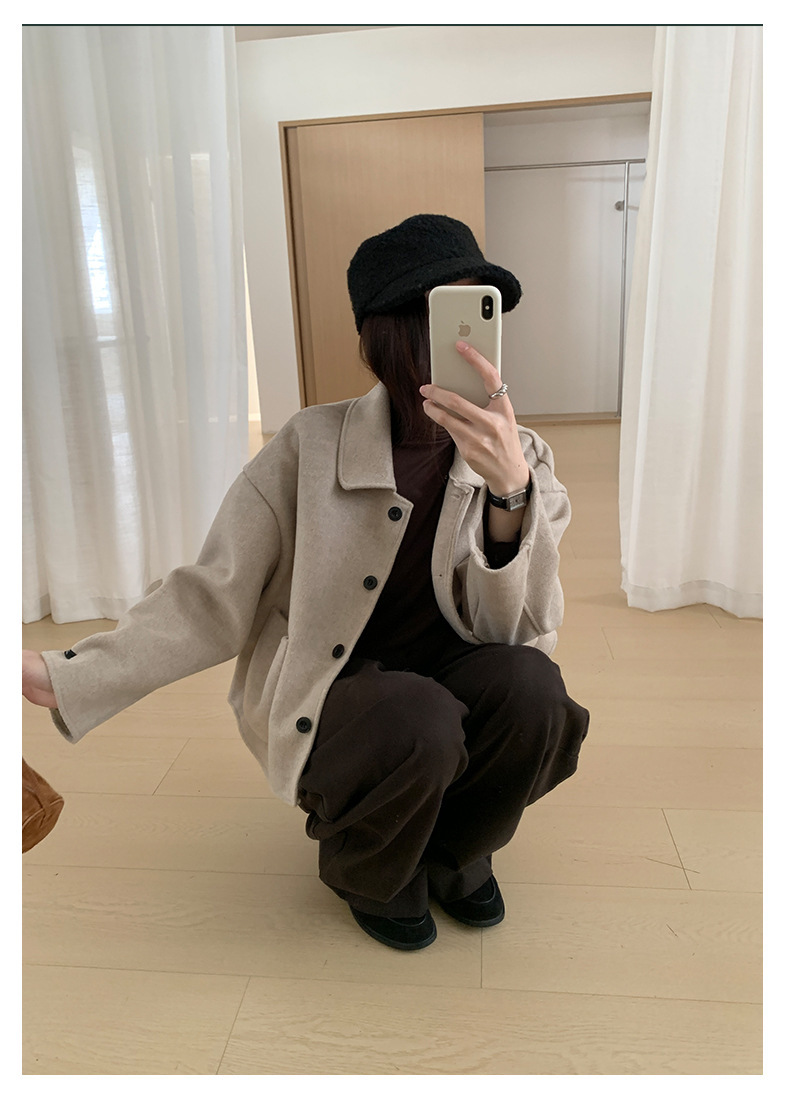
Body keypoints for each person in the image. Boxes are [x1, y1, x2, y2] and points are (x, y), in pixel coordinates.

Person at [22, 213, 589, 951]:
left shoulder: (524, 455)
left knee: (535, 691)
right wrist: (64, 674)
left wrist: (510, 492)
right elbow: (213, 595)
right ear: (392, 333)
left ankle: (456, 851)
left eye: (480, 315)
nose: (467, 343)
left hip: (459, 664)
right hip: (338, 688)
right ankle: (370, 871)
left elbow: (525, 627)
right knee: (415, 718)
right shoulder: (308, 448)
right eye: (444, 315)